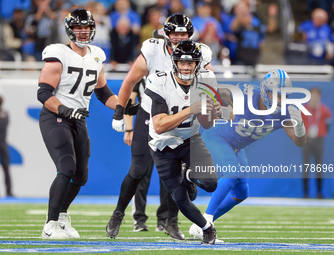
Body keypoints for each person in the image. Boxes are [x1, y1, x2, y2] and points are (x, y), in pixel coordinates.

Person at [107, 13, 213, 240]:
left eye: (183, 34)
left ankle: (170, 221)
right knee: (138, 169)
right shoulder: (153, 49)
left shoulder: (199, 54)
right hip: (151, 112)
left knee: (174, 172)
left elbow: (210, 82)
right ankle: (119, 213)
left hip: (184, 114)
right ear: (166, 34)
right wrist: (120, 112)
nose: (178, 37)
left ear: (190, 35)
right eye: (174, 33)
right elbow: (129, 81)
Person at [37, 8, 136, 239]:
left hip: (78, 119)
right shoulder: (58, 53)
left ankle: (61, 216)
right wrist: (64, 109)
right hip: (56, 116)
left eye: (87, 28)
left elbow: (103, 93)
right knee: (67, 167)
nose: (83, 32)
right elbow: (43, 92)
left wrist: (123, 107)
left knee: (81, 175)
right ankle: (49, 225)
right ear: (70, 30)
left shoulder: (96, 55)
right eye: (78, 28)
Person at [189, 69, 308, 240]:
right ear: (265, 91)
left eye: (283, 95)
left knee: (241, 193)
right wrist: (221, 107)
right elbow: (221, 91)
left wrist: (299, 126)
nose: (280, 99)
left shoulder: (287, 112)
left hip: (236, 146)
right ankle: (206, 224)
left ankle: (200, 224)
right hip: (217, 136)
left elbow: (299, 142)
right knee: (233, 173)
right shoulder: (246, 94)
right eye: (276, 94)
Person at [147, 40, 219, 244]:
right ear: (175, 62)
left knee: (211, 183)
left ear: (197, 64)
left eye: (190, 63)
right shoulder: (160, 81)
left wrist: (211, 114)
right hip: (162, 144)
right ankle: (207, 228)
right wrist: (192, 109)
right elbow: (159, 125)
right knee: (180, 197)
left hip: (190, 138)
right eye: (182, 62)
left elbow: (207, 123)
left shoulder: (206, 79)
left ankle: (188, 175)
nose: (186, 67)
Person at [301, 87, 332, 199]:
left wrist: (321, 133)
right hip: (307, 140)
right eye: (312, 95)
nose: (314, 98)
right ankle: (305, 193)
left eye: (316, 95)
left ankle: (319, 192)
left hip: (319, 139)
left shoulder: (324, 110)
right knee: (306, 166)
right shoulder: (303, 109)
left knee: (319, 166)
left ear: (320, 97)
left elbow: (328, 124)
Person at [0, 96, 13, 197]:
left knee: (6, 168)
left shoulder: (5, 114)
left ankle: (9, 191)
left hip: (3, 144)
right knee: (6, 169)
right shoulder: (5, 114)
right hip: (3, 144)